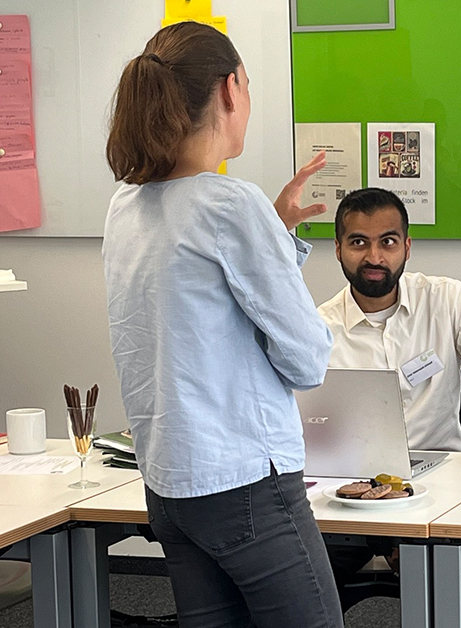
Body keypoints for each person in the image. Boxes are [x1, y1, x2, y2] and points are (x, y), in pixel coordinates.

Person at [102, 22, 343, 627]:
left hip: (172, 485)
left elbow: (198, 320)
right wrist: (265, 226)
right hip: (247, 486)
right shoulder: (230, 205)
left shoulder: (125, 205)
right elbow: (308, 359)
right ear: (230, 89)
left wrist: (275, 232)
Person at [318, 187, 461, 607]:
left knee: (444, 590)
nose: (374, 257)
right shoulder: (316, 328)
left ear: (407, 246)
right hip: (348, 496)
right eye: (358, 242)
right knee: (299, 589)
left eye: (387, 241)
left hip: (440, 491)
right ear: (337, 248)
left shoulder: (447, 301)